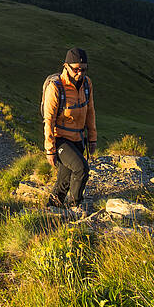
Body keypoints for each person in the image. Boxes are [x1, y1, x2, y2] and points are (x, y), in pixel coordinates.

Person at [43, 47, 97, 212]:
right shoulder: (56, 87)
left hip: (78, 138)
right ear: (65, 66)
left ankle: (51, 208)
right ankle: (75, 207)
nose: (80, 73)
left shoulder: (87, 84)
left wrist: (92, 138)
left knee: (64, 180)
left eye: (83, 69)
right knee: (81, 169)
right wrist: (50, 149)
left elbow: (90, 111)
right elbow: (49, 120)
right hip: (61, 139)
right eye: (76, 69)